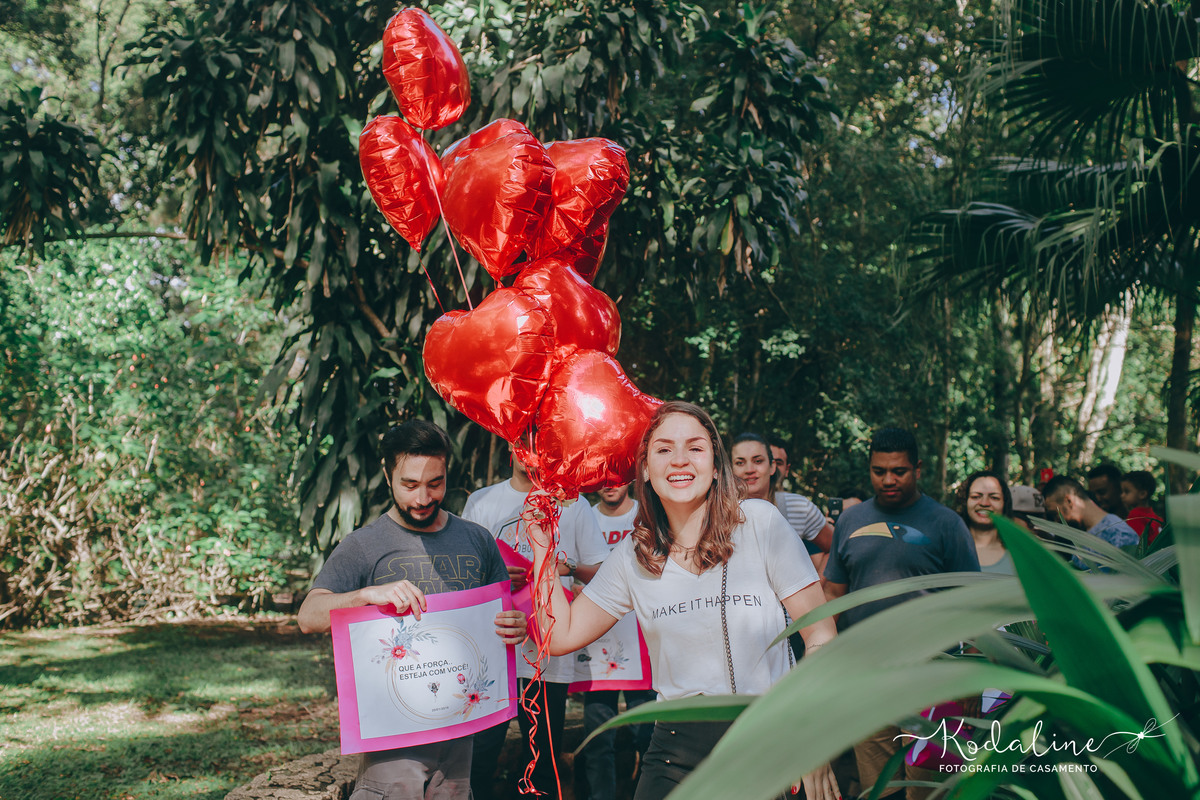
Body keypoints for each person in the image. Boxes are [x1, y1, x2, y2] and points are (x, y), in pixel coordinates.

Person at [524, 402, 840, 800]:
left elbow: (821, 634)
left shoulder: (759, 523)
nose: (679, 460)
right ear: (643, 467)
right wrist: (542, 549)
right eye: (663, 449)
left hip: (768, 737)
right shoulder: (633, 556)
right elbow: (561, 635)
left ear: (714, 462)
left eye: (694, 447)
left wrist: (811, 737)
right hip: (675, 748)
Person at [296, 420, 527, 800]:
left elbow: (502, 617)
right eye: (409, 485)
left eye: (435, 483)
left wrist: (514, 625)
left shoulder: (477, 540)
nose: (422, 498)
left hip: (461, 743)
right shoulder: (364, 545)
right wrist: (364, 596)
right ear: (387, 475)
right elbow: (308, 617)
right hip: (392, 751)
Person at [822, 427, 980, 800]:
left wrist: (974, 675)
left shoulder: (946, 524)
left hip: (932, 680)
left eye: (899, 471)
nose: (888, 480)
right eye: (879, 471)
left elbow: (974, 602)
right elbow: (832, 594)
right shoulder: (850, 520)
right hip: (864, 678)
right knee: (878, 789)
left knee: (929, 790)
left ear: (918, 469)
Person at [463, 449, 608, 800]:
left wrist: (561, 567)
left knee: (544, 759)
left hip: (547, 658)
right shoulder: (482, 503)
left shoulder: (574, 505)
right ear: (510, 446)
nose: (529, 455)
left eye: (539, 445)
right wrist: (496, 574)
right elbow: (462, 576)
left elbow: (602, 571)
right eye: (522, 444)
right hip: (491, 654)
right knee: (479, 758)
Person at [580, 483, 657, 800]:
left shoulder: (649, 512)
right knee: (598, 739)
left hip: (643, 639)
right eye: (602, 478)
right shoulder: (584, 516)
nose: (610, 485)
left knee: (648, 735)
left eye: (616, 476)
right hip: (596, 639)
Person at [731, 432, 833, 560]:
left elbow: (836, 548)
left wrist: (822, 580)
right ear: (730, 469)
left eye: (758, 461)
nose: (749, 469)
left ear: (772, 467)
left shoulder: (800, 508)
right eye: (740, 463)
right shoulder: (719, 512)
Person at [1042, 475, 1139, 568]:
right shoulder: (1080, 533)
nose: (1056, 521)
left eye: (1055, 514)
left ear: (1069, 501)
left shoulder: (1118, 533)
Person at [959, 470, 1015, 575]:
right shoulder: (950, 547)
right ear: (965, 502)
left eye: (994, 497)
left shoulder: (1018, 552)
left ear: (1005, 503)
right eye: (975, 496)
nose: (984, 503)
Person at [1121, 470, 1165, 546]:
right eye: (1122, 492)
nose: (1122, 495)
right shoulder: (1156, 517)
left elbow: (1134, 544)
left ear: (1142, 494)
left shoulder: (1135, 515)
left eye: (1126, 492)